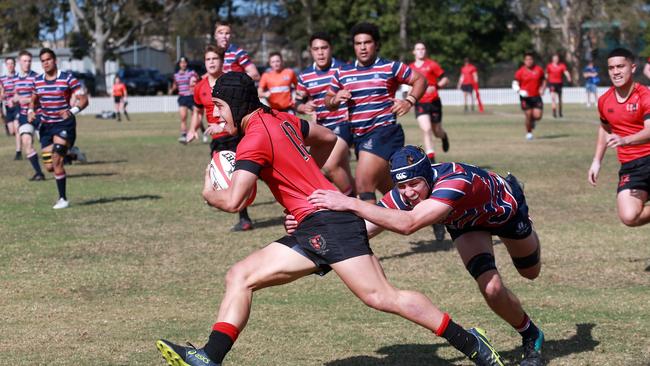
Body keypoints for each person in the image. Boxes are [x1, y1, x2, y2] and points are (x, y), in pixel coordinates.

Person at [155, 72, 505, 366]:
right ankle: (208, 357)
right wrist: (304, 186)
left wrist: (207, 192)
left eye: (219, 106)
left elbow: (234, 200)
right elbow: (329, 139)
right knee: (240, 276)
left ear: (236, 103)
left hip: (331, 224)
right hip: (315, 223)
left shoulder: (254, 139)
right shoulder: (283, 119)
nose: (216, 115)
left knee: (382, 297)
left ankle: (471, 343)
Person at [306, 145, 544, 366]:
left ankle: (516, 193)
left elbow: (409, 224)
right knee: (491, 288)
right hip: (466, 224)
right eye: (402, 186)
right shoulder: (404, 193)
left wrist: (349, 203)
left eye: (415, 184)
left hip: (505, 212)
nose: (408, 192)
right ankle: (531, 334)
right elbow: (365, 227)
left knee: (530, 273)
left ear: (428, 176)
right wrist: (325, 249)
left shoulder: (455, 181)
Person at [325, 23, 426, 204]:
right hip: (359, 136)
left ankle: (360, 232)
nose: (362, 47)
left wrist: (409, 101)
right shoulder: (343, 72)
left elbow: (420, 79)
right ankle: (429, 212)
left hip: (384, 132)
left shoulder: (391, 67)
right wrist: (335, 99)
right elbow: (329, 100)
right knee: (393, 191)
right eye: (358, 43)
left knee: (364, 185)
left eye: (367, 42)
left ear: (376, 44)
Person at [187, 44, 255, 232]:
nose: (211, 62)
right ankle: (234, 208)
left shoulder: (230, 82)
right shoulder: (200, 87)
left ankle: (244, 218)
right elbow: (197, 111)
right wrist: (193, 129)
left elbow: (240, 110)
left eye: (214, 59)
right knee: (217, 173)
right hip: (217, 140)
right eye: (208, 59)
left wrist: (222, 125)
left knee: (238, 176)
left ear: (222, 62)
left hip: (235, 136)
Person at [588, 48, 650, 227]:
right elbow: (605, 129)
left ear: (633, 67)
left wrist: (626, 139)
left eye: (621, 66)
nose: (616, 71)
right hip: (631, 166)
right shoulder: (604, 100)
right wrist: (596, 161)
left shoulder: (645, 95)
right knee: (629, 216)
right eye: (611, 68)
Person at [29, 48, 88, 209]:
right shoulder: (37, 80)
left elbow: (84, 99)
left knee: (57, 159)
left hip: (64, 124)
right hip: (46, 126)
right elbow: (33, 100)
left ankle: (63, 199)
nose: (45, 63)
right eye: (42, 60)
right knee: (49, 167)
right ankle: (73, 153)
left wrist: (71, 111)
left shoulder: (67, 78)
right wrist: (30, 111)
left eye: (48, 59)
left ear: (55, 60)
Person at [296, 32, 354, 196]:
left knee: (328, 166)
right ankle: (359, 202)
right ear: (311, 51)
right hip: (322, 129)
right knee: (343, 171)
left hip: (343, 124)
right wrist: (304, 107)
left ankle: (349, 203)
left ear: (331, 48)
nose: (320, 52)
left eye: (324, 48)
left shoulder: (344, 69)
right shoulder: (304, 76)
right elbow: (297, 103)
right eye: (316, 49)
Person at [409, 42, 450, 163]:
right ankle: (431, 158)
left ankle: (444, 136)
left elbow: (445, 78)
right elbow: (409, 86)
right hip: (420, 102)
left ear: (425, 51)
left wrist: (436, 86)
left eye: (423, 49)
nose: (421, 51)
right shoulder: (410, 67)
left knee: (437, 131)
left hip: (434, 102)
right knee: (426, 129)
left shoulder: (432, 65)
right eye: (418, 49)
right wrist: (409, 101)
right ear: (414, 52)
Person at [13, 50, 45, 181]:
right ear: (19, 62)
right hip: (24, 116)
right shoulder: (15, 78)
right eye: (25, 61)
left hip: (38, 115)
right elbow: (16, 94)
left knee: (49, 147)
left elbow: (40, 97)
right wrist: (14, 99)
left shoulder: (37, 77)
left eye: (29, 61)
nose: (27, 63)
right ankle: (39, 173)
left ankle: (71, 154)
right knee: (26, 142)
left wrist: (25, 99)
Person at [513, 52, 545, 140]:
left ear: (533, 60)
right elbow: (515, 84)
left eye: (530, 59)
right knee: (528, 114)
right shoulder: (520, 72)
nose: (529, 61)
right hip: (525, 98)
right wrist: (519, 91)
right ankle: (529, 133)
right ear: (524, 61)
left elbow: (544, 80)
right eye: (527, 59)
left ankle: (533, 121)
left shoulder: (539, 70)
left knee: (538, 116)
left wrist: (542, 88)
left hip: (536, 96)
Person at [169, 56, 198, 144]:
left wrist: (194, 84)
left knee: (195, 116)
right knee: (183, 117)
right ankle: (184, 135)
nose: (183, 64)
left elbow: (196, 80)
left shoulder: (191, 73)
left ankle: (196, 132)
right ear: (179, 64)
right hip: (182, 97)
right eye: (181, 63)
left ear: (187, 63)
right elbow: (175, 85)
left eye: (185, 62)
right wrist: (171, 90)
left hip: (191, 97)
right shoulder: (176, 75)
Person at [0, 57, 21, 159]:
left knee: (17, 129)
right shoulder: (2, 79)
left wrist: (15, 98)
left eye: (12, 63)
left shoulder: (19, 77)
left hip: (18, 106)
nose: (10, 65)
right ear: (5, 65)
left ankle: (18, 152)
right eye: (8, 64)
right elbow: (1, 93)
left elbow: (20, 91)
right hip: (8, 108)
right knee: (12, 131)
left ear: (15, 64)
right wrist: (2, 96)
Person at [545, 53, 572, 118]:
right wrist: (545, 81)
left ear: (558, 59)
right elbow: (546, 74)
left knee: (560, 99)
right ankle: (554, 112)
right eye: (554, 58)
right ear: (552, 59)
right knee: (553, 98)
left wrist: (568, 77)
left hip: (559, 83)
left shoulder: (562, 65)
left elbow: (565, 72)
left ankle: (560, 112)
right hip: (552, 83)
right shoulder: (549, 66)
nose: (556, 60)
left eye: (557, 58)